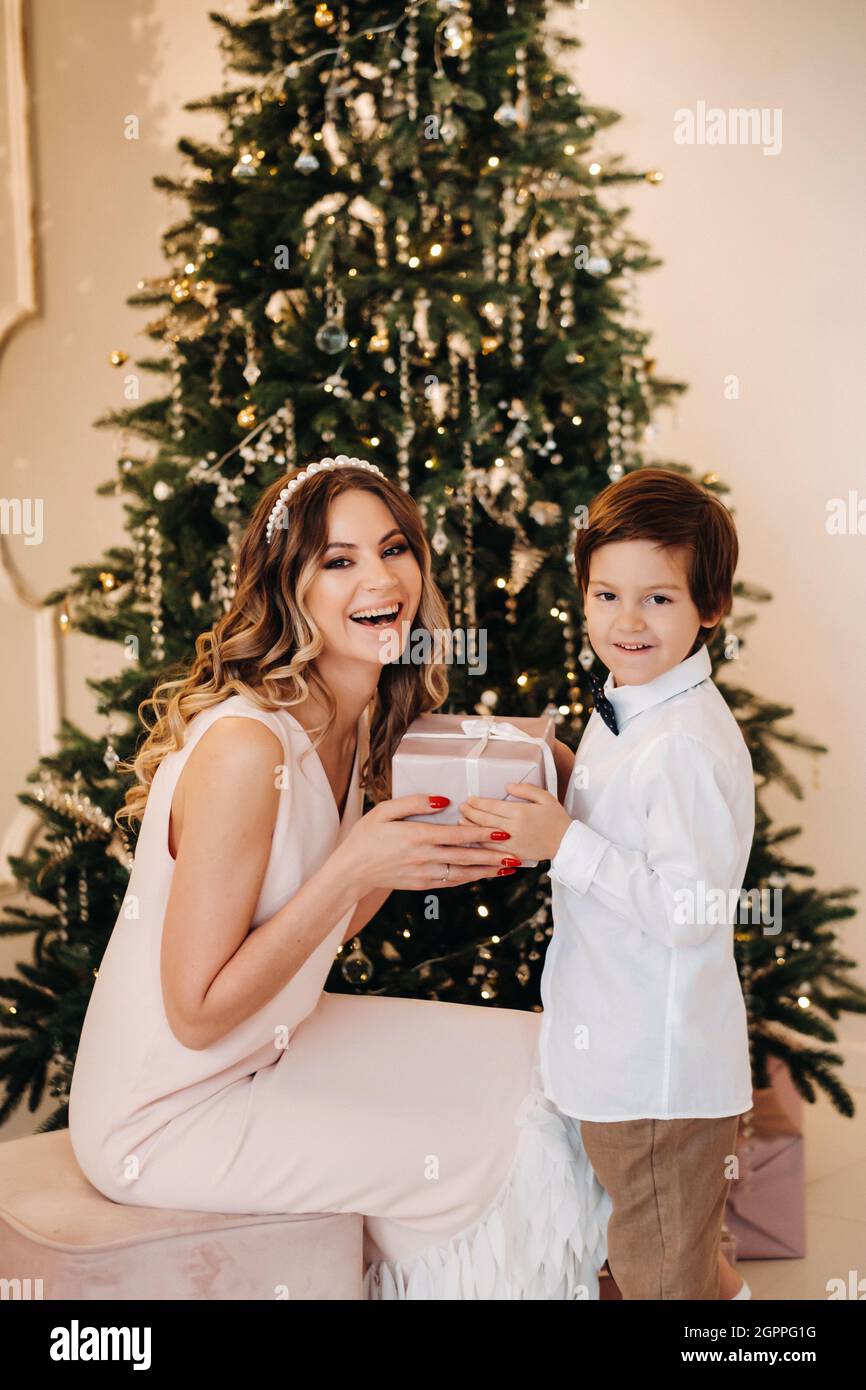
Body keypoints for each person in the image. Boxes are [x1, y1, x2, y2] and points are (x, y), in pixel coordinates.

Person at [68, 454, 611, 1300]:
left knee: (544, 1060)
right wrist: (358, 861)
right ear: (291, 588)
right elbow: (197, 1011)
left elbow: (325, 924)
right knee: (479, 1142)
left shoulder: (361, 721)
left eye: (394, 549)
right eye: (339, 560)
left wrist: (408, 861)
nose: (380, 577)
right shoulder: (247, 748)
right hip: (168, 1108)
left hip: (272, 1045)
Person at [459, 468, 754, 1300]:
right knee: (667, 1257)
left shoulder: (683, 744)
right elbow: (626, 816)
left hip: (656, 1076)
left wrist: (565, 842)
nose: (626, 622)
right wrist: (557, 770)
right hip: (618, 1057)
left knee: (661, 1275)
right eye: (606, 594)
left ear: (710, 606)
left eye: (658, 600)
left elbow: (691, 909)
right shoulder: (632, 704)